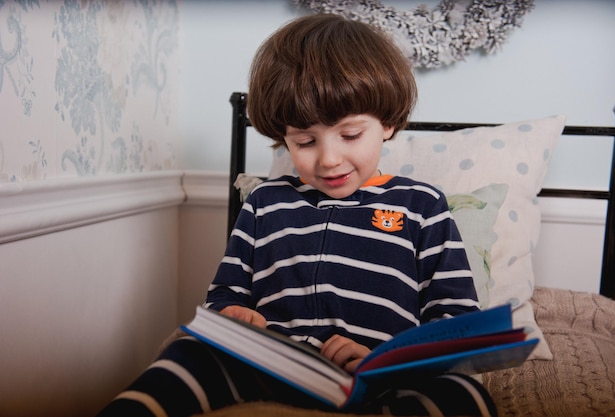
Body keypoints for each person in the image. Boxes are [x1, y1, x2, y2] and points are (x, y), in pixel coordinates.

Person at [97, 13, 496, 417]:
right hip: (271, 368)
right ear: (282, 138)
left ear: (388, 124)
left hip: (378, 377)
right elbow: (226, 295)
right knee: (187, 352)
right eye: (304, 141)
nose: (329, 159)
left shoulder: (422, 205)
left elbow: (454, 317)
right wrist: (233, 314)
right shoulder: (264, 202)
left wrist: (386, 359)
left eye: (350, 135)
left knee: (464, 393)